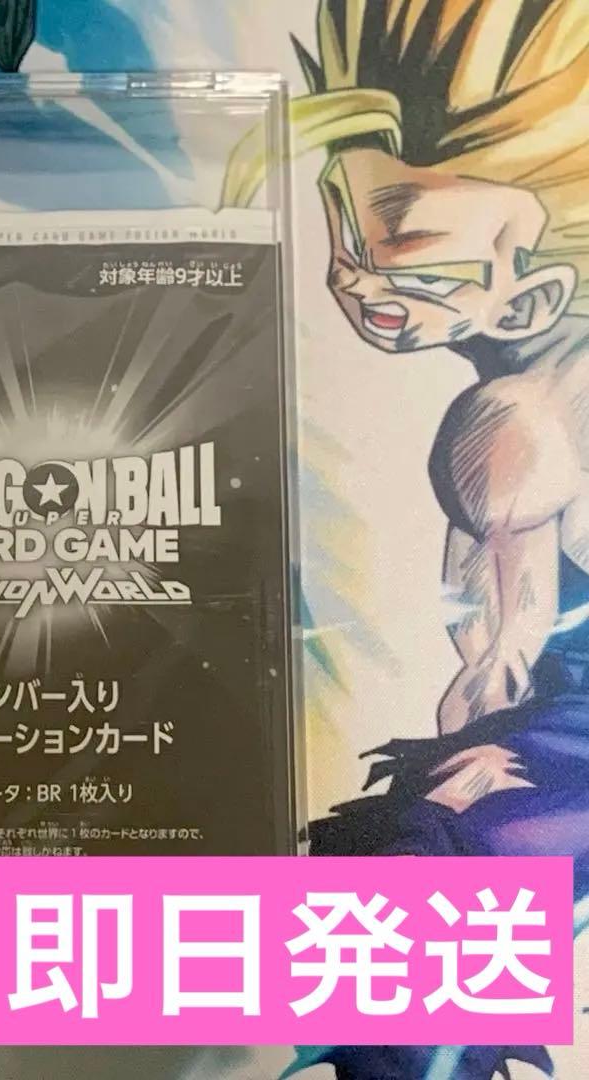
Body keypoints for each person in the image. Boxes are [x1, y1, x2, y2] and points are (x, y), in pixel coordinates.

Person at [223, 3, 589, 1076]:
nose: (355, 282)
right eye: (346, 237)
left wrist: (478, 772)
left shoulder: (522, 420)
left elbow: (494, 665)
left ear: (532, 295)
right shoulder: (530, 399)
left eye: (409, 270)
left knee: (411, 885)